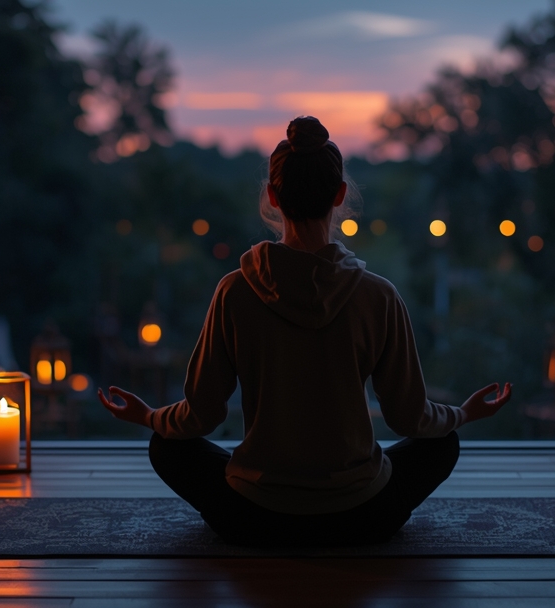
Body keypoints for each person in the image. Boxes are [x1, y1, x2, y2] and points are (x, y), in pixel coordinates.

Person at [99, 116, 512, 547]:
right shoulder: (379, 297)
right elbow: (410, 417)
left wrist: (148, 416)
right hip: (362, 514)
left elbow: (202, 415)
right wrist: (463, 414)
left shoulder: (234, 292)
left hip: (252, 513)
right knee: (442, 446)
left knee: (167, 447)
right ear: (340, 194)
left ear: (273, 196)